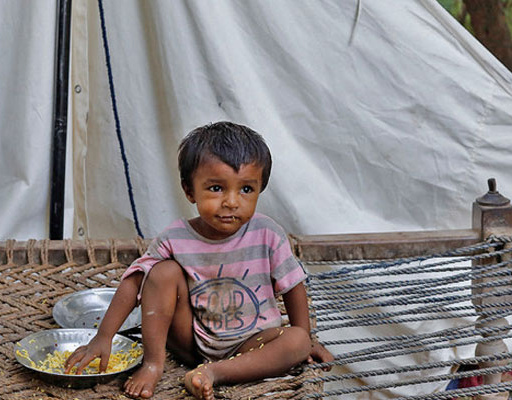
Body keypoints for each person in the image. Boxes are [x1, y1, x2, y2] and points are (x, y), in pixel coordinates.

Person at [65, 121, 334, 400]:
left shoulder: (267, 234)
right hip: (191, 341)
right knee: (162, 272)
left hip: (253, 342)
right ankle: (153, 364)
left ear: (260, 188)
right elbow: (134, 284)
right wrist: (104, 336)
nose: (231, 202)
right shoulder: (176, 237)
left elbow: (293, 285)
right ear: (189, 191)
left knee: (297, 339)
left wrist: (307, 341)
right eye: (216, 188)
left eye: (246, 190)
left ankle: (214, 372)